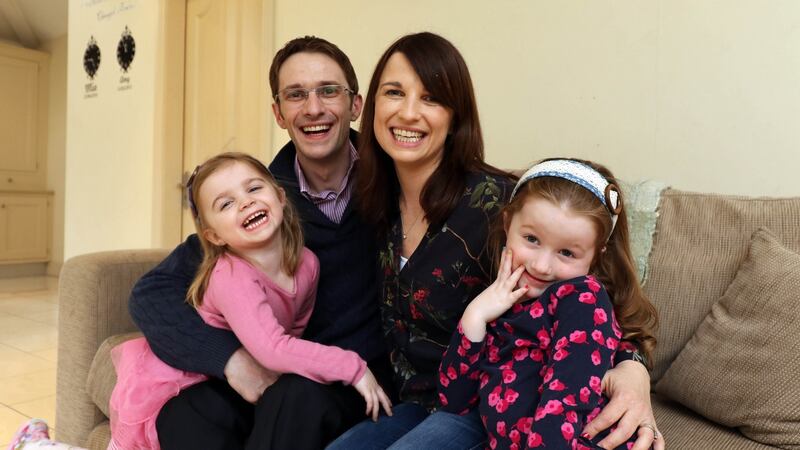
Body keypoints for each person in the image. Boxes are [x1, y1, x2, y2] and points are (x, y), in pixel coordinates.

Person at [327, 32, 662, 450]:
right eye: (394, 92)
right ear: (372, 104)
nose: (408, 112)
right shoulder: (371, 203)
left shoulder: (502, 207)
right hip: (419, 399)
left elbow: (593, 300)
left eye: (430, 98)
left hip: (487, 408)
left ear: (455, 116)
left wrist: (634, 371)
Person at [128, 36, 394, 450]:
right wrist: (232, 361)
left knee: (295, 399)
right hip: (275, 366)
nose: (313, 108)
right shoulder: (260, 203)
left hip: (350, 377)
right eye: (295, 95)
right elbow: (151, 294)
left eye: (329, 91)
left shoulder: (395, 183)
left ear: (355, 105)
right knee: (185, 413)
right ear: (278, 113)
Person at [108, 153, 392, 450]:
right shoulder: (232, 276)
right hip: (195, 375)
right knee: (186, 417)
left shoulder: (307, 264)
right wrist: (351, 367)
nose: (245, 202)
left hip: (264, 369)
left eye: (254, 189)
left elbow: (291, 331)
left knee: (291, 398)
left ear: (281, 197)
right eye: (226, 203)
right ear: (214, 235)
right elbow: (273, 348)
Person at [437, 158, 659, 449]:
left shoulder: (582, 299)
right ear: (507, 224)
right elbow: (454, 401)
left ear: (596, 255)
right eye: (531, 239)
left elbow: (564, 401)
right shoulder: (502, 303)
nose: (542, 266)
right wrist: (476, 316)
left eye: (567, 252)